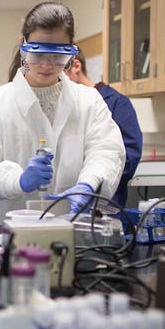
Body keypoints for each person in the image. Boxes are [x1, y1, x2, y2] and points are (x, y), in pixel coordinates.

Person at [0, 2, 125, 225]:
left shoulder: (89, 101)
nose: (47, 65)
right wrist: (18, 180)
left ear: (72, 52)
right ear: (23, 47)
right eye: (38, 54)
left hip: (73, 232)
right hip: (10, 237)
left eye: (58, 56)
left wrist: (89, 183)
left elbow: (107, 152)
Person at [64, 47, 142, 208]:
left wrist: (93, 180)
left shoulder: (117, 103)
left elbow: (129, 157)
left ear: (76, 67)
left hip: (104, 204)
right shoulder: (66, 104)